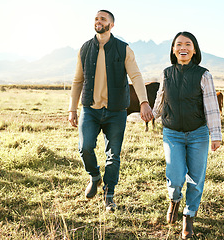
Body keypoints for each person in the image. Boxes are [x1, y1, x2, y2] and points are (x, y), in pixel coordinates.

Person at [68, 10, 153, 212]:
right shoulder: (85, 48)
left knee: (113, 155)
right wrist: (72, 109)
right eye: (96, 18)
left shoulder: (124, 49)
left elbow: (137, 77)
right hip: (90, 109)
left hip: (116, 112)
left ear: (111, 25)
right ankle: (95, 176)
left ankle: (109, 194)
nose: (98, 21)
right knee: (85, 147)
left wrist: (144, 102)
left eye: (103, 19)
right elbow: (77, 80)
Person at [152, 31, 222, 239]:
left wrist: (215, 134)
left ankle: (188, 216)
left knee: (196, 178)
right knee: (174, 176)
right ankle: (174, 199)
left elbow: (211, 106)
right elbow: (160, 99)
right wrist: (150, 115)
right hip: (172, 133)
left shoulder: (203, 74)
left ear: (194, 50)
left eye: (188, 44)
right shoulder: (166, 73)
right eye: (179, 44)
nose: (183, 47)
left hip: (198, 134)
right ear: (173, 49)